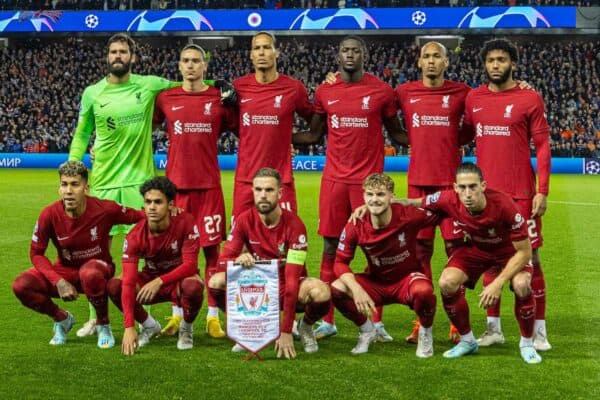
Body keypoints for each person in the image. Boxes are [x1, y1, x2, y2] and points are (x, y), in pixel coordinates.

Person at [68, 33, 235, 336]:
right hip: (104, 180)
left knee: (164, 248)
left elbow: (188, 86)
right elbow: (82, 133)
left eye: (123, 51)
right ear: (108, 56)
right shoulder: (92, 93)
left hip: (141, 184)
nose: (118, 56)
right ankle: (97, 316)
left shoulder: (151, 86)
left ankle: (190, 315)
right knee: (97, 252)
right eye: (113, 51)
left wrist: (221, 84)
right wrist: (75, 163)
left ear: (132, 57)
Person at [294, 35, 407, 341]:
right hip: (334, 181)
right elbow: (313, 135)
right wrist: (274, 134)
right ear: (338, 54)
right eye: (345, 50)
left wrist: (438, 139)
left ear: (364, 55)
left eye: (356, 50)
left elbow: (398, 134)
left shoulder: (382, 91)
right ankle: (327, 319)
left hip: (368, 184)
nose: (350, 54)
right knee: (331, 248)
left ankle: (377, 320)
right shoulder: (326, 90)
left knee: (377, 250)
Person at [462, 38, 551, 351]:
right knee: (489, 258)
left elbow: (542, 146)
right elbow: (460, 133)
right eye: (491, 60)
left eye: (501, 60)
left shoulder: (529, 98)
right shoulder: (473, 98)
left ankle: (539, 332)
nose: (495, 65)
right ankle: (493, 329)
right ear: (484, 64)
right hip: (486, 196)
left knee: (532, 259)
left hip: (521, 194)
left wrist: (542, 190)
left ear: (512, 63)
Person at [410, 162, 542, 364]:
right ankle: (467, 341)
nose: (467, 193)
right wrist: (380, 204)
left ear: (483, 185)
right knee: (447, 282)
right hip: (476, 250)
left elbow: (525, 253)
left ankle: (527, 343)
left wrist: (497, 283)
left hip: (509, 253)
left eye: (473, 186)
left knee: (522, 285)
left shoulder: (504, 205)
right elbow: (416, 202)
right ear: (455, 188)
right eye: (462, 187)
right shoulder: (448, 199)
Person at [11, 161, 145, 348]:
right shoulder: (49, 214)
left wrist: (171, 213)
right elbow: (36, 253)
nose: (68, 191)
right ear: (59, 188)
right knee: (21, 285)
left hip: (98, 270)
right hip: (66, 271)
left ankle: (103, 324)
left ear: (86, 188)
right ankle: (62, 319)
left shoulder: (105, 209)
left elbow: (140, 216)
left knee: (90, 272)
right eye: (64, 184)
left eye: (75, 184)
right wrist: (58, 280)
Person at [153, 44, 237, 339]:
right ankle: (177, 315)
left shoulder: (218, 98)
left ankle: (213, 317)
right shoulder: (165, 98)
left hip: (209, 187)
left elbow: (241, 127)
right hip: (176, 190)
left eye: (196, 61)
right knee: (177, 255)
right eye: (186, 61)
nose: (191, 66)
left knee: (213, 252)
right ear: (179, 65)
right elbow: (142, 128)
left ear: (205, 65)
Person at [208, 168, 331, 359]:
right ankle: (249, 328)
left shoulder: (295, 225)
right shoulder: (243, 220)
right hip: (257, 286)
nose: (263, 195)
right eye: (258, 190)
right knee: (216, 281)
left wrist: (285, 331)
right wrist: (237, 260)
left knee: (320, 291)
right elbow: (221, 263)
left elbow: (291, 282)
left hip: (285, 285)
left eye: (269, 190)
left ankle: (304, 326)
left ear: (280, 193)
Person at [395, 41, 471, 344]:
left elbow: (476, 122)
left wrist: (453, 139)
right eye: (425, 56)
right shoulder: (403, 92)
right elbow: (384, 115)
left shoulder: (463, 93)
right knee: (420, 253)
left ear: (446, 62)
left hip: (450, 187)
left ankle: (457, 321)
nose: (430, 61)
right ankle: (422, 320)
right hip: (418, 185)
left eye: (436, 56)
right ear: (418, 61)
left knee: (456, 250)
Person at [331, 174, 437, 357]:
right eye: (369, 194)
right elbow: (340, 262)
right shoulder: (356, 223)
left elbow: (441, 212)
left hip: (406, 282)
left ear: (391, 196)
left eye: (380, 194)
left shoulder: (409, 215)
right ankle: (367, 330)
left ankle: (426, 333)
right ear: (363, 196)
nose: (374, 199)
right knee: (337, 288)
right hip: (376, 282)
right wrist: (356, 289)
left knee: (424, 291)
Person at [107, 177, 204, 355]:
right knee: (115, 286)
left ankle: (186, 328)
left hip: (179, 280)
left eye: (158, 202)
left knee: (194, 286)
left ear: (170, 205)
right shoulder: (135, 236)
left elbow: (190, 265)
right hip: (150, 279)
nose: (151, 207)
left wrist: (160, 281)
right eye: (148, 202)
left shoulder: (186, 221)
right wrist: (129, 327)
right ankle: (149, 325)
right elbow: (128, 282)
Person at [231, 31, 313, 219]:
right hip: (246, 180)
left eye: (267, 47)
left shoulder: (294, 88)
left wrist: (288, 140)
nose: (261, 52)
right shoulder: (237, 87)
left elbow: (316, 123)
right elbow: (229, 123)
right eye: (256, 48)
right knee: (240, 245)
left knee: (285, 241)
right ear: (251, 54)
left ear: (277, 52)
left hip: (281, 180)